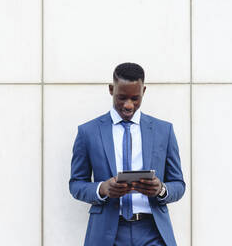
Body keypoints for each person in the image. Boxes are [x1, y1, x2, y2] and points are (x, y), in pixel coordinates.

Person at [69, 63, 185, 246]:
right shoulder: (88, 132)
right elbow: (76, 184)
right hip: (107, 232)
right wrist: (102, 188)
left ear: (144, 91)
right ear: (111, 89)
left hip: (153, 230)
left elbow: (178, 184)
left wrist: (161, 189)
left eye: (135, 98)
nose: (128, 105)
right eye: (121, 98)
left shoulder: (164, 131)